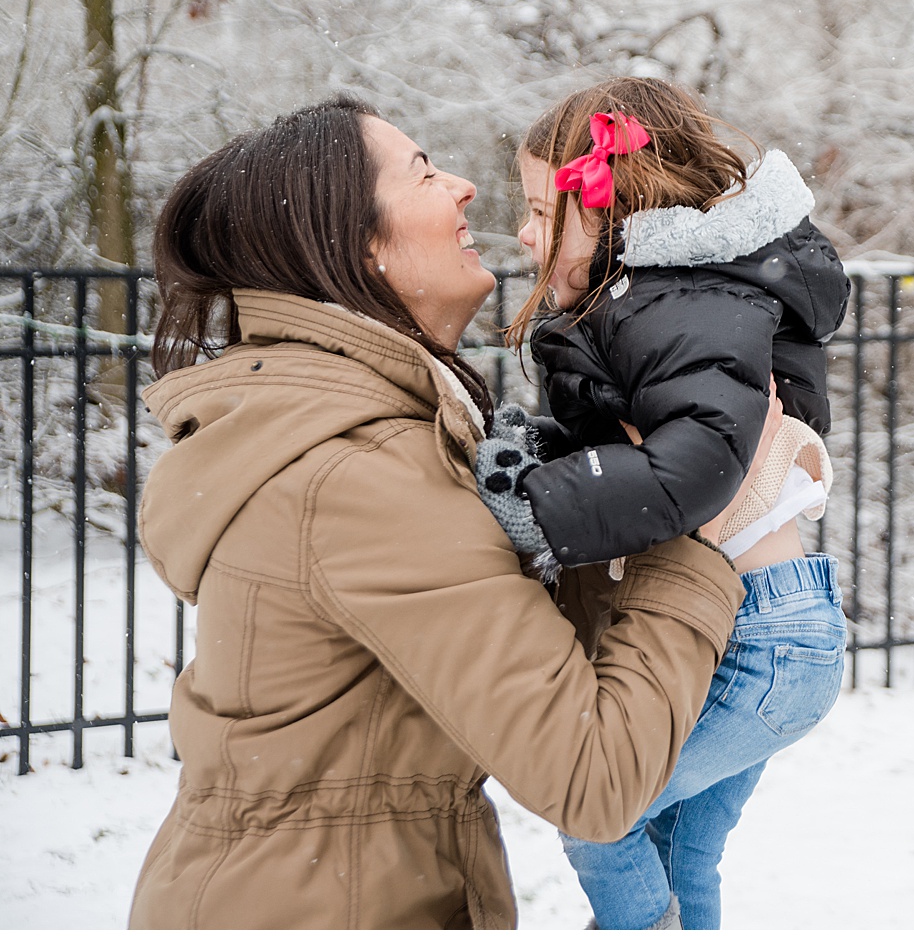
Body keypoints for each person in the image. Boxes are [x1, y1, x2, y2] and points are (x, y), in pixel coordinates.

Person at [126, 95, 781, 929]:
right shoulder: (359, 478)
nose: (467, 186)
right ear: (360, 244)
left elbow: (539, 668)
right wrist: (693, 532)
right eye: (424, 172)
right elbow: (595, 775)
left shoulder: (355, 438)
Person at [473, 77, 851, 929]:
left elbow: (697, 462)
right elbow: (652, 438)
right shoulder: (674, 297)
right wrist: (553, 450)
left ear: (615, 202)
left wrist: (540, 502)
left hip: (758, 639)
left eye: (542, 210)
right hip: (767, 628)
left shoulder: (683, 301)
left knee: (596, 812)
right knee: (682, 849)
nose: (524, 234)